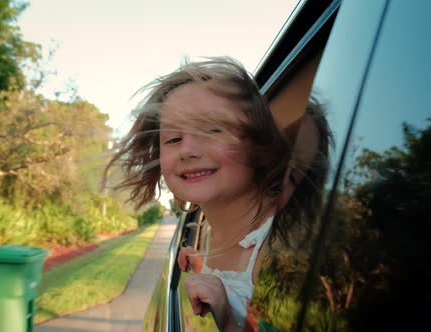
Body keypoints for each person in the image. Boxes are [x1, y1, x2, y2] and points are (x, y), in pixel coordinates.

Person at [106, 57, 291, 331]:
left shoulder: (285, 247)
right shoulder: (205, 237)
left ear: (257, 141)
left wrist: (226, 321)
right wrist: (199, 263)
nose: (187, 150)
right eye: (173, 139)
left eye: (212, 129)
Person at [179, 97, 334, 332]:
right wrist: (196, 260)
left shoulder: (281, 258)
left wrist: (226, 317)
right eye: (271, 157)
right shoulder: (214, 226)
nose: (276, 180)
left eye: (292, 175)